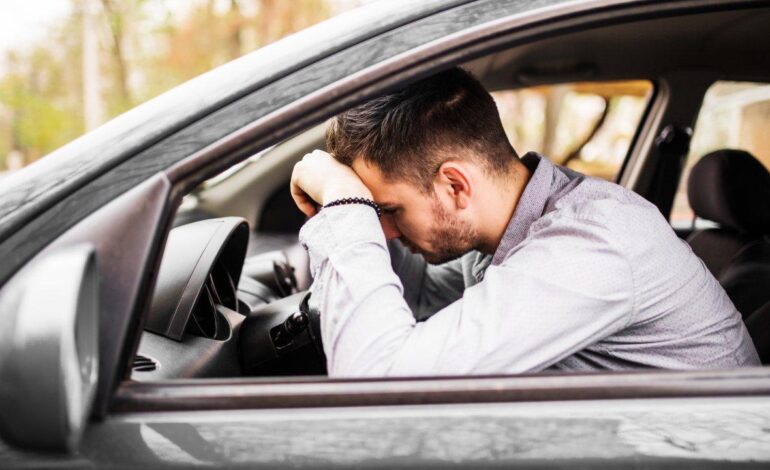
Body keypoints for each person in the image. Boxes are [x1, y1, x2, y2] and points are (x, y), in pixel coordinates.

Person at [289, 67, 759, 377]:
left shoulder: (592, 243)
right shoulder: (511, 226)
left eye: (389, 211)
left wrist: (344, 209)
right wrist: (356, 205)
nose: (385, 231)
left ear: (455, 186)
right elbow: (417, 295)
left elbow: (374, 386)